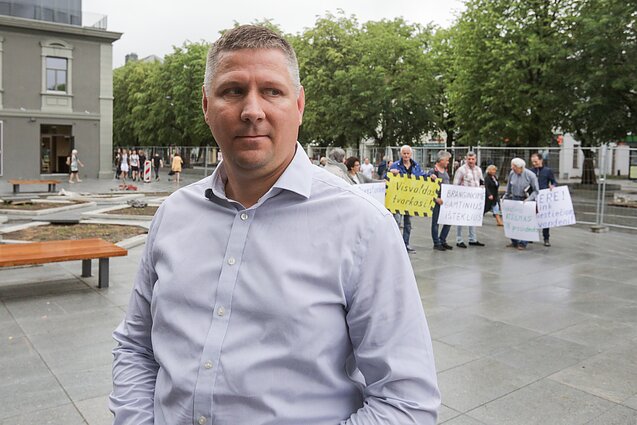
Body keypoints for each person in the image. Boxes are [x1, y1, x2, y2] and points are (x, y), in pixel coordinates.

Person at [110, 25, 439, 425]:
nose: (252, 110)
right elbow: (136, 347)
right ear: (206, 105)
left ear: (299, 104)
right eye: (233, 91)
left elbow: (406, 401)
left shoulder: (363, 227)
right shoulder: (173, 214)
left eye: (272, 91)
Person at [389, 145, 433, 254]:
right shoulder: (395, 165)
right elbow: (386, 178)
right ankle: (394, 245)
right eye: (404, 153)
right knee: (396, 222)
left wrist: (430, 176)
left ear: (411, 154)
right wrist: (390, 173)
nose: (406, 155)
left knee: (408, 223)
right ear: (401, 154)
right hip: (397, 199)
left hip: (410, 200)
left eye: (408, 153)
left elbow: (423, 176)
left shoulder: (415, 165)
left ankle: (405, 244)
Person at [503, 157, 540, 250]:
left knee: (525, 223)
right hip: (514, 198)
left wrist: (529, 199)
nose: (512, 168)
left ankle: (523, 243)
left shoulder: (531, 175)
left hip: (525, 201)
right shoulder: (512, 173)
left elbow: (536, 190)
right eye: (512, 166)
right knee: (513, 222)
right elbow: (509, 186)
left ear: (521, 167)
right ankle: (514, 241)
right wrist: (506, 196)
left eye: (514, 167)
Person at [453, 151, 485, 248]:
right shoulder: (461, 170)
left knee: (473, 218)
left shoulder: (478, 170)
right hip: (463, 199)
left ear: (475, 159)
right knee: (461, 219)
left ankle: (472, 239)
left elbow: (481, 182)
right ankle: (459, 239)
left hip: (474, 199)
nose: (471, 161)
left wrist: (482, 190)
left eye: (473, 159)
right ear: (466, 159)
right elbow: (455, 184)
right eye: (469, 159)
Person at [531, 153, 558, 246]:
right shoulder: (530, 171)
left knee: (545, 219)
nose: (534, 163)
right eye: (533, 162)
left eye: (536, 161)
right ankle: (531, 235)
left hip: (544, 198)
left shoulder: (548, 171)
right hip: (533, 197)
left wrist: (553, 186)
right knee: (532, 217)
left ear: (541, 160)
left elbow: (554, 182)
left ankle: (546, 238)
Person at [430, 150, 453, 251]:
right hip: (438, 201)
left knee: (448, 221)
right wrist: (435, 198)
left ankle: (442, 240)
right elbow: (428, 187)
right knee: (436, 222)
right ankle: (437, 242)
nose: (448, 162)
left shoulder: (445, 171)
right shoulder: (433, 171)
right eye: (447, 160)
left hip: (446, 200)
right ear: (441, 160)